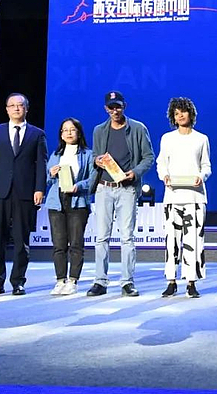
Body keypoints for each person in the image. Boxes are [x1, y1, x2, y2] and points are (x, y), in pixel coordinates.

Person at [87, 90, 154, 297]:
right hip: (104, 188)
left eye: (118, 106)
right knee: (102, 237)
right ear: (105, 109)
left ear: (124, 106)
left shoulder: (138, 128)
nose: (115, 110)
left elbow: (148, 157)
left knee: (127, 237)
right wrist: (97, 160)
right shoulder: (99, 130)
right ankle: (100, 281)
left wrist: (134, 172)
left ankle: (127, 282)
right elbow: (96, 155)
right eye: (111, 107)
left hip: (127, 189)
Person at [0, 93, 47, 296]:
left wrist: (39, 189)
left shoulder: (37, 134)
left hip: (25, 193)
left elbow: (41, 164)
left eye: (20, 105)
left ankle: (18, 281)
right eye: (12, 105)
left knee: (21, 240)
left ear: (26, 108)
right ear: (7, 109)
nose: (17, 108)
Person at [156, 97, 211, 299]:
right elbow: (161, 163)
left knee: (194, 240)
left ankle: (191, 282)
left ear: (191, 114)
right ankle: (171, 281)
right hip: (172, 196)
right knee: (171, 240)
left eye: (183, 112)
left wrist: (201, 177)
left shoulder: (201, 139)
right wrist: (164, 176)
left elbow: (206, 165)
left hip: (195, 197)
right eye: (176, 113)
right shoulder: (167, 138)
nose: (180, 116)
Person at [45, 117, 95, 295]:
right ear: (61, 134)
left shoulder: (88, 154)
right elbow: (47, 180)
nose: (68, 133)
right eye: (65, 130)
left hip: (77, 201)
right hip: (56, 201)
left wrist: (78, 186)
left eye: (72, 129)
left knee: (75, 243)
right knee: (58, 244)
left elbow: (93, 179)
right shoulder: (56, 154)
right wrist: (51, 174)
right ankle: (60, 280)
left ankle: (73, 280)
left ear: (79, 133)